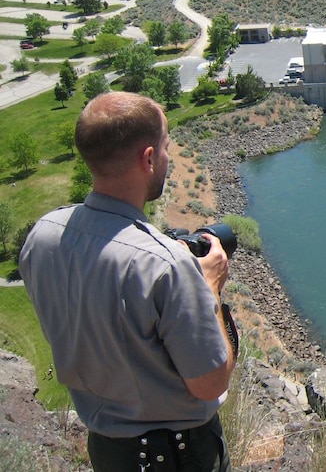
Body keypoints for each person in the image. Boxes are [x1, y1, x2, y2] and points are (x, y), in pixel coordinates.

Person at [20, 91, 236, 471]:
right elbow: (211, 382)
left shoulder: (43, 235)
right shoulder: (165, 265)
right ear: (149, 158)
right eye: (166, 147)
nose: (169, 157)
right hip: (179, 455)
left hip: (107, 450)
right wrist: (210, 292)